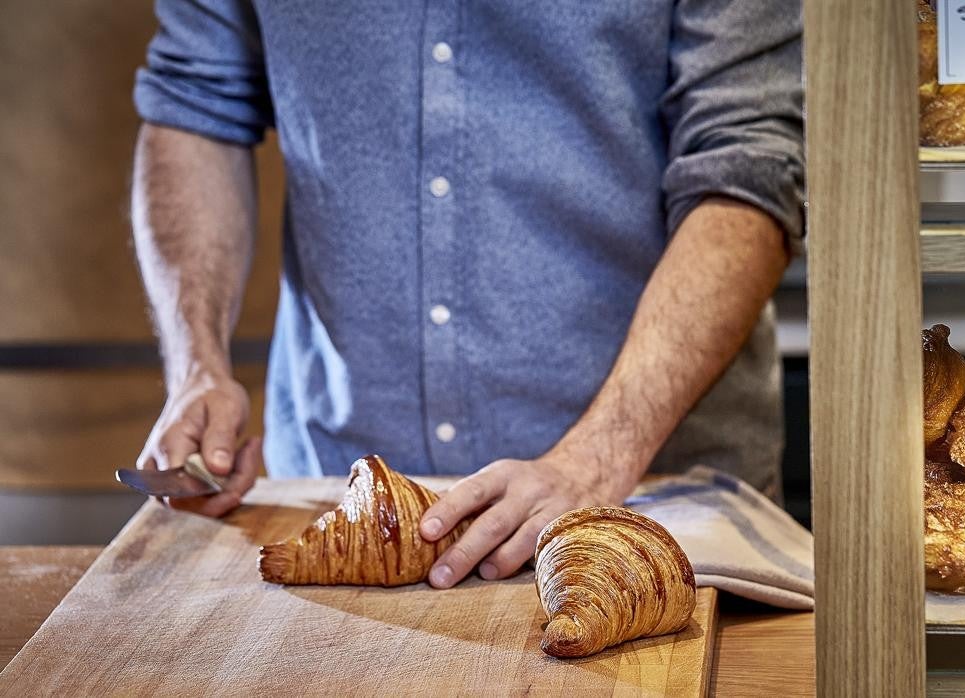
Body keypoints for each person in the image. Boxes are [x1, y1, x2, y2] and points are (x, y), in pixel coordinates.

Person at [131, 1, 804, 589]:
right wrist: (197, 363)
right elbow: (195, 104)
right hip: (329, 489)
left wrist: (599, 458)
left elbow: (746, 160)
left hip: (658, 504)